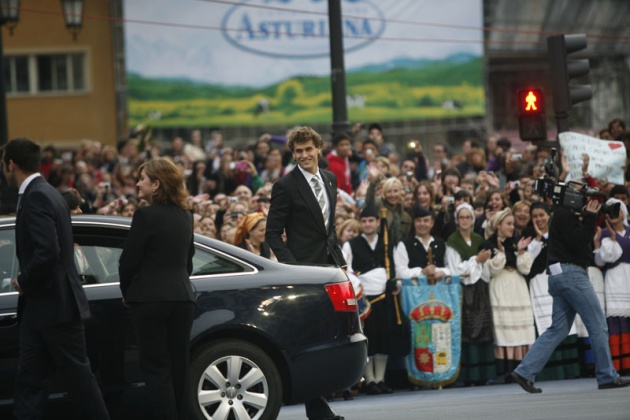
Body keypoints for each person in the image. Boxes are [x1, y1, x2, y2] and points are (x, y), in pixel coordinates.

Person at [2, 138, 109, 419]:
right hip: (42, 311)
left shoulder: (37, 196)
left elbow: (48, 251)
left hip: (55, 309)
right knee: (30, 384)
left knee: (79, 382)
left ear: (10, 164)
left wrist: (22, 281)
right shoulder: (48, 193)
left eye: (3, 165)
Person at [265, 126, 346, 420]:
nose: (303, 155)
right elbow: (272, 234)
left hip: (330, 269)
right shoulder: (284, 186)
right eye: (298, 151)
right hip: (302, 273)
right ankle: (317, 406)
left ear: (318, 149)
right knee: (310, 338)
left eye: (308, 149)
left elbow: (328, 229)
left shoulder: (331, 178)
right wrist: (292, 268)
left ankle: (320, 402)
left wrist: (340, 262)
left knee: (329, 335)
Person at [511, 196, 630, 393]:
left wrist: (588, 219)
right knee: (598, 325)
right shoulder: (565, 215)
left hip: (559, 275)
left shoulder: (560, 215)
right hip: (572, 274)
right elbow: (579, 242)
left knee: (557, 329)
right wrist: (591, 218)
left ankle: (524, 371)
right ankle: (607, 376)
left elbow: (575, 241)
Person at [119, 157, 196, 419]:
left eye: (142, 179)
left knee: (156, 369)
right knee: (179, 368)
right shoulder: (186, 216)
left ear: (157, 184)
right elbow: (188, 263)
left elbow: (127, 261)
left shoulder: (145, 215)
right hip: (183, 299)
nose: (138, 184)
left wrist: (127, 293)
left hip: (150, 301)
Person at [342, 204, 395, 396]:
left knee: (384, 339)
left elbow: (394, 267)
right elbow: (346, 270)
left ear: (378, 222)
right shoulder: (351, 244)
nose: (367, 224)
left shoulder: (388, 242)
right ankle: (370, 380)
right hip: (365, 300)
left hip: (384, 297)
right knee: (369, 340)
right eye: (364, 221)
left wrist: (393, 282)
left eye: (371, 220)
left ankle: (380, 379)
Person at [479, 208, 534, 381]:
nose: (512, 227)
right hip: (500, 288)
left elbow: (526, 268)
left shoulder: (516, 243)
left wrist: (521, 252)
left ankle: (522, 370)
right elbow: (491, 271)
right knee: (503, 331)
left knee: (520, 330)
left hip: (518, 288)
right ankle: (505, 371)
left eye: (512, 224)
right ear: (498, 226)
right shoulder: (488, 244)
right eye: (508, 224)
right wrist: (501, 254)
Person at [445, 203, 495, 385]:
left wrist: (481, 262)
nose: (465, 221)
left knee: (483, 327)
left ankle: (484, 372)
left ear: (473, 219)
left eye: (468, 217)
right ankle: (469, 375)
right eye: (461, 217)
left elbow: (484, 265)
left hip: (480, 288)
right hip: (463, 290)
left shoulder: (477, 238)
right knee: (467, 329)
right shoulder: (453, 241)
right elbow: (454, 269)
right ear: (457, 221)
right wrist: (476, 260)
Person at [594, 198, 630, 373]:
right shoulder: (605, 234)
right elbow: (602, 260)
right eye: (610, 212)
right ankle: (620, 366)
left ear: (623, 212)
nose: (614, 215)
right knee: (617, 321)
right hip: (615, 280)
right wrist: (612, 241)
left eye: (617, 210)